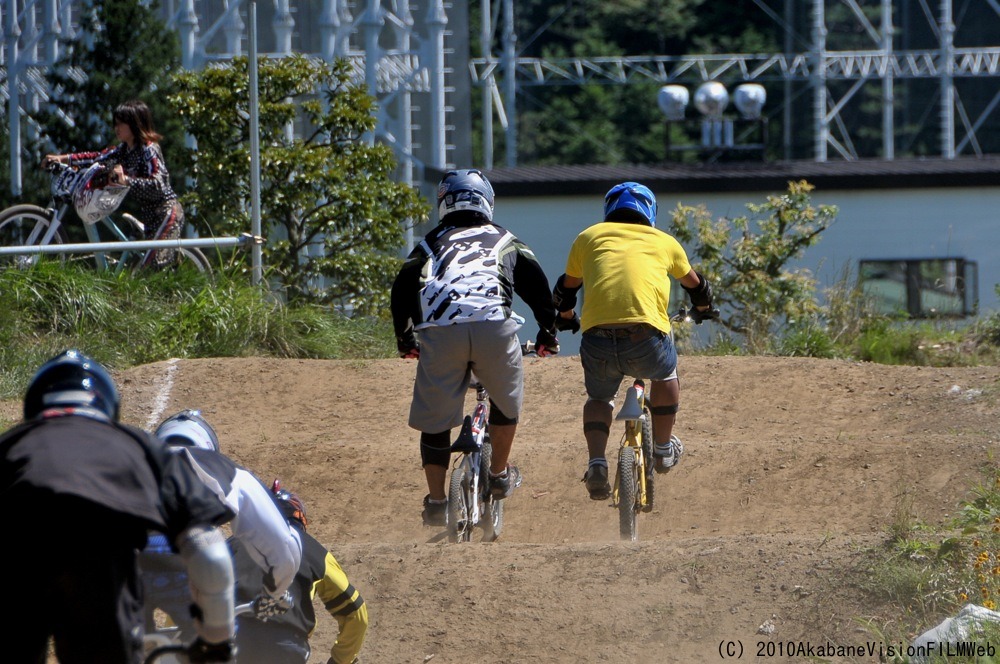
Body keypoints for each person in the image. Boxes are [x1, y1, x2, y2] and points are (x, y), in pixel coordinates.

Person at [0, 350, 237, 663]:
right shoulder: (140, 445)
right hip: (100, 556)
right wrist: (216, 641)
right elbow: (210, 554)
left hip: (18, 556)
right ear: (107, 403)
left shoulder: (8, 446)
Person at [390, 168, 560, 526]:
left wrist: (406, 340)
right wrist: (548, 333)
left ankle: (437, 502)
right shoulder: (506, 240)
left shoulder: (428, 243)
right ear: (488, 202)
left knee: (436, 422)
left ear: (443, 203)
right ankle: (498, 474)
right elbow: (538, 290)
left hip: (439, 332)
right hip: (494, 329)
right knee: (505, 400)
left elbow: (402, 290)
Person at [551, 181, 716, 500]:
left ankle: (597, 462)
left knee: (599, 399)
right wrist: (703, 309)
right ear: (650, 211)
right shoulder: (665, 242)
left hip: (596, 339)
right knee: (666, 374)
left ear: (609, 210)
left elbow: (566, 290)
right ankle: (664, 449)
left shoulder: (588, 237)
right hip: (646, 336)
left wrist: (567, 317)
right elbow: (697, 286)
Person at [140, 409, 303, 638]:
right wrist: (272, 594)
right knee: (217, 645)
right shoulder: (223, 468)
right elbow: (285, 549)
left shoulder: (126, 460)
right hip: (176, 557)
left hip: (111, 562)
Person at [230, 480, 369, 664]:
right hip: (287, 649)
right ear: (299, 518)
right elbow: (356, 613)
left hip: (236, 644)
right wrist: (339, 660)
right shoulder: (314, 552)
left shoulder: (233, 544)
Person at [42, 99, 185, 268]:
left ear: (135, 123)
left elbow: (159, 184)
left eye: (121, 123)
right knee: (142, 270)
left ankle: (177, 264)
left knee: (152, 267)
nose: (116, 128)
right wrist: (63, 158)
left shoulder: (149, 149)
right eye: (115, 123)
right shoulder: (123, 150)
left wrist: (127, 180)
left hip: (167, 212)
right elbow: (96, 158)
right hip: (149, 216)